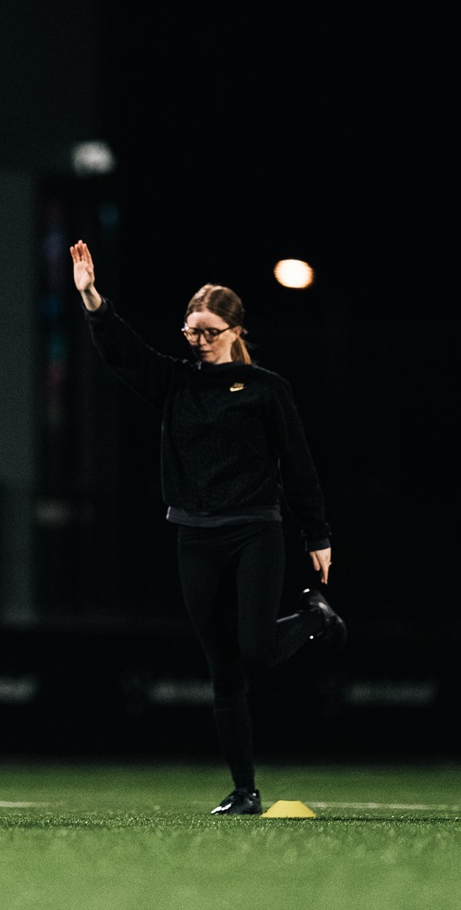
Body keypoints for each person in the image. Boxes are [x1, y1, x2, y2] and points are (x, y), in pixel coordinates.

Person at [69, 240, 345, 816]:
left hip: (254, 531)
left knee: (255, 648)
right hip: (195, 534)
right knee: (222, 667)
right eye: (190, 331)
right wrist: (93, 298)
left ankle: (314, 617)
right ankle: (245, 791)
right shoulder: (177, 383)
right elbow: (126, 355)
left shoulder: (267, 388)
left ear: (235, 330)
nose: (196, 341)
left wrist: (316, 533)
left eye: (208, 331)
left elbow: (298, 463)